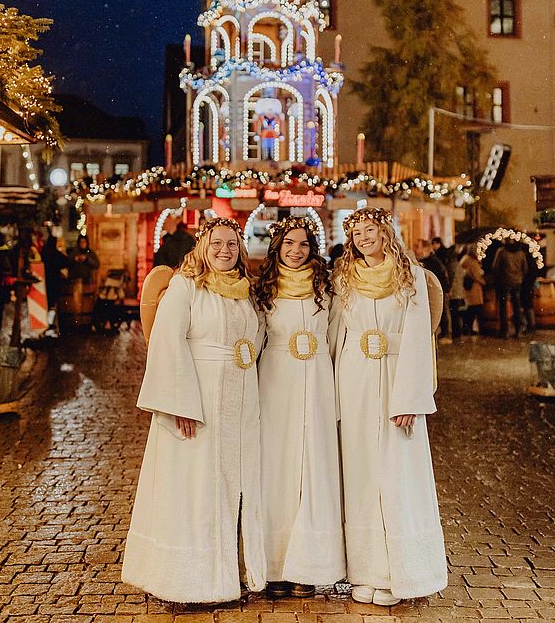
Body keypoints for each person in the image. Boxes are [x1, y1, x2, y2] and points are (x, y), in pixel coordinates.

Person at [122, 217, 266, 603]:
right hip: (197, 403)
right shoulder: (186, 287)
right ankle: (183, 580)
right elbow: (168, 343)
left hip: (239, 403)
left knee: (228, 488)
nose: (224, 251)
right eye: (217, 243)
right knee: (193, 490)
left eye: (232, 245)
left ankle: (223, 578)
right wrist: (179, 404)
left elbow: (256, 341)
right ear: (203, 246)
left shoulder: (246, 292)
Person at [331, 208, 447, 607]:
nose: (364, 238)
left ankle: (403, 572)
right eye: (358, 232)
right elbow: (335, 334)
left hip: (396, 377)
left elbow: (418, 337)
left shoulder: (409, 275)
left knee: (396, 474)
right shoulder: (344, 277)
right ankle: (366, 571)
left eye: (371, 231)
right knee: (360, 475)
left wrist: (409, 397)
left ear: (385, 233)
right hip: (356, 380)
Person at [255, 216, 345, 599]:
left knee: (314, 468)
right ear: (278, 246)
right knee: (277, 469)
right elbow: (253, 337)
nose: (296, 250)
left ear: (313, 248)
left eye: (304, 244)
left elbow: (339, 335)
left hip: (319, 380)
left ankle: (307, 565)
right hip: (276, 381)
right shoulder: (263, 290)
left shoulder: (327, 288)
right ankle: (274, 565)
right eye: (289, 243)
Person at [414, 239, 451, 342]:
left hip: (438, 291)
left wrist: (445, 289)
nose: (417, 250)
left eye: (419, 247)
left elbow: (441, 277)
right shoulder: (428, 260)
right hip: (437, 290)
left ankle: (446, 335)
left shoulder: (432, 261)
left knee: (441, 311)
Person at [491, 239, 528, 338]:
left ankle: (505, 331)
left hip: (504, 282)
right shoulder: (521, 253)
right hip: (517, 282)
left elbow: (495, 266)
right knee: (517, 306)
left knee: (503, 307)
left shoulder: (501, 252)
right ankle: (518, 330)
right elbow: (525, 269)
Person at [42, 234, 69, 336]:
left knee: (47, 303)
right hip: (54, 281)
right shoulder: (55, 253)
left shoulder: (44, 252)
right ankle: (49, 323)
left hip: (45, 281)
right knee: (53, 304)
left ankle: (45, 324)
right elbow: (66, 261)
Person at [460, 244, 485, 335]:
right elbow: (477, 275)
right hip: (474, 288)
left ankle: (468, 328)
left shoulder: (464, 259)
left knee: (470, 309)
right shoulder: (472, 261)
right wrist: (484, 282)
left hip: (468, 288)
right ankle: (469, 329)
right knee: (474, 309)